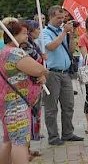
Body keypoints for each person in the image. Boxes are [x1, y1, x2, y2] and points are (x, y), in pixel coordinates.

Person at [0, 20, 48, 164]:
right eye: (24, 34)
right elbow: (38, 69)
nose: (27, 36)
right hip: (17, 104)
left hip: (8, 103)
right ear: (13, 35)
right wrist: (43, 72)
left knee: (9, 141)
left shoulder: (3, 51)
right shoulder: (14, 52)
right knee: (20, 142)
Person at [42, 6, 84, 145]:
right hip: (51, 73)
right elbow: (51, 46)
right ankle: (53, 137)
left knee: (68, 105)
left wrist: (71, 36)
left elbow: (71, 50)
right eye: (58, 18)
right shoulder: (45, 32)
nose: (61, 21)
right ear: (50, 17)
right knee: (51, 108)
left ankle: (68, 133)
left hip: (65, 73)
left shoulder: (62, 31)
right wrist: (63, 32)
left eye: (63, 18)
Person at [21, 20, 45, 158]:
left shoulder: (33, 44)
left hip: (36, 83)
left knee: (34, 117)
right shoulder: (25, 46)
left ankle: (28, 149)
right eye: (37, 29)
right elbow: (33, 61)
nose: (39, 31)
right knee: (28, 118)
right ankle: (24, 151)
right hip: (30, 83)